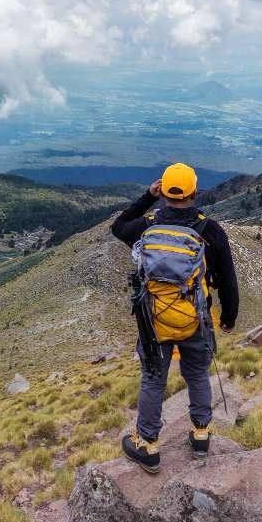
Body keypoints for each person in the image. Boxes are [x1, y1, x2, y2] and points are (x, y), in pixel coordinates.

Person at [111, 162, 239, 473]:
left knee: (154, 379)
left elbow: (118, 226)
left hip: (154, 321)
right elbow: (229, 280)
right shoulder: (209, 230)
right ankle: (200, 435)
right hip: (196, 318)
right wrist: (228, 318)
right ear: (195, 191)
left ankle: (148, 445)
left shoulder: (147, 225)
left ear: (164, 191)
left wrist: (146, 197)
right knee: (196, 374)